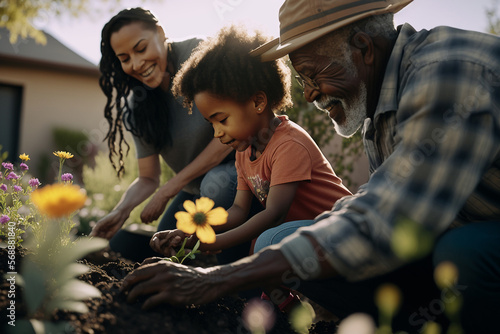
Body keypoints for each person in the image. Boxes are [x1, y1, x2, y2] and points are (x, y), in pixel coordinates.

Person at [121, 0, 500, 333]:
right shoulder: (382, 106)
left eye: (313, 74)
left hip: (472, 248)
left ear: (363, 48)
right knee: (278, 242)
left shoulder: (446, 74)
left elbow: (388, 218)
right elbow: (375, 204)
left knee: (462, 251)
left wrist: (216, 279)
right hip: (448, 248)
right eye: (302, 79)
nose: (311, 93)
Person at [149, 25, 352, 306]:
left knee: (266, 241)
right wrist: (193, 233)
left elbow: (274, 214)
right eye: (211, 124)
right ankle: (290, 317)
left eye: (222, 119)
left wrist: (212, 244)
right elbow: (238, 210)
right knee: (263, 250)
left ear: (257, 101)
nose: (217, 133)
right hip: (302, 234)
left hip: (342, 231)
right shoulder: (245, 150)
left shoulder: (288, 143)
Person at [91, 7, 237, 262]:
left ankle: (225, 267)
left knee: (215, 184)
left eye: (141, 48)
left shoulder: (200, 56)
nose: (136, 64)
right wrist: (121, 211)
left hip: (242, 175)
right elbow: (148, 177)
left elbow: (228, 135)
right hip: (193, 189)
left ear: (160, 33)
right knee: (163, 242)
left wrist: (168, 190)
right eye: (125, 58)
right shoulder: (138, 105)